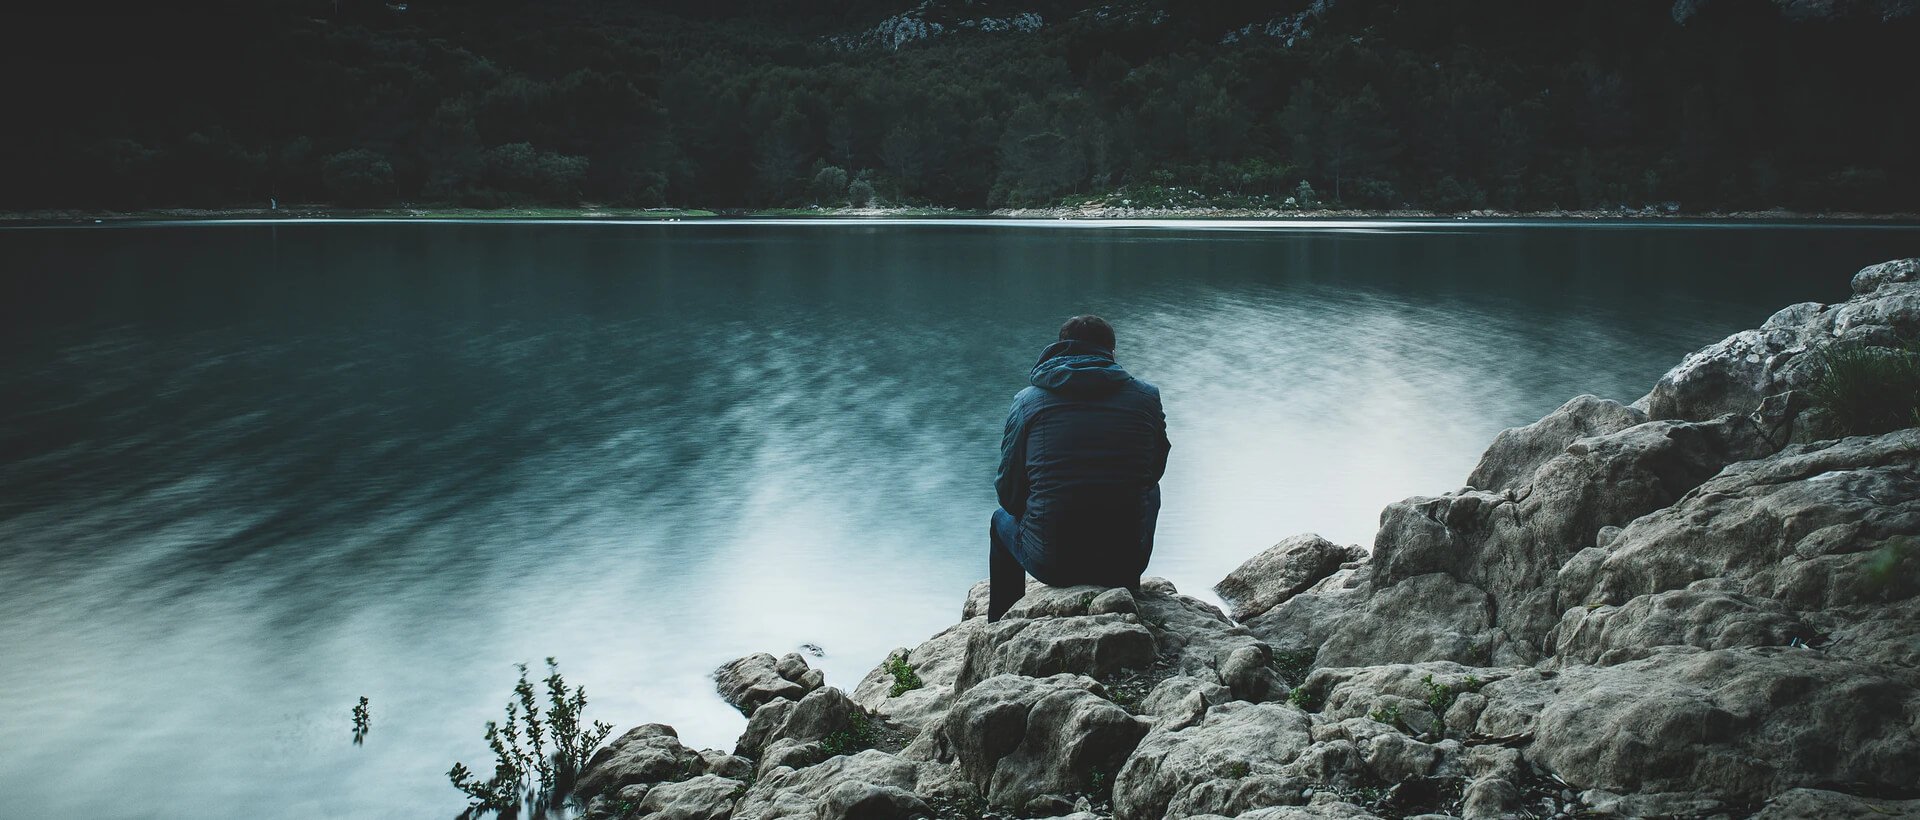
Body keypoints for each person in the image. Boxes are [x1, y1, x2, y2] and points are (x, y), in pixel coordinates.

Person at [989, 315, 1170, 622]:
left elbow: (1008, 493)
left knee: (1000, 520)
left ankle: (1003, 623)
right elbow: (1153, 469)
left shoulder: (1027, 401)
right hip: (1125, 561)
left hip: (1053, 563)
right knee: (1150, 490)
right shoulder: (1146, 398)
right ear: (1111, 353)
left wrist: (1037, 510)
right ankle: (1126, 594)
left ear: (1059, 350)